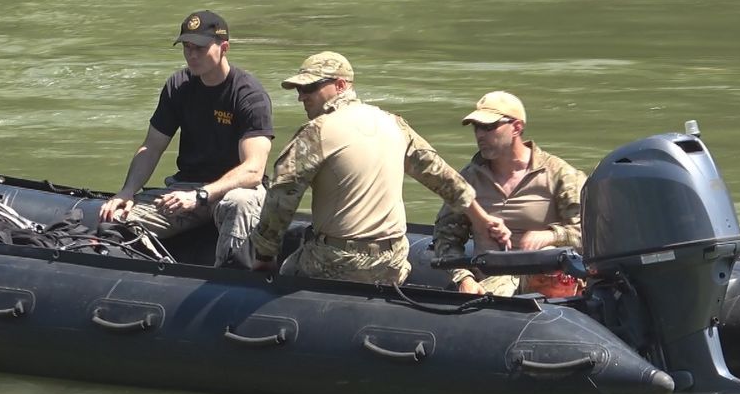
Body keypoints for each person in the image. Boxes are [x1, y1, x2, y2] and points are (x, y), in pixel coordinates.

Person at [249, 51, 510, 284]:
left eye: (311, 88)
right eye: (299, 90)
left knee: (286, 272)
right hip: (392, 261)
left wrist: (265, 254)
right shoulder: (395, 124)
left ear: (340, 85)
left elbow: (281, 195)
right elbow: (442, 177)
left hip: (338, 260)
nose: (301, 97)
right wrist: (482, 218)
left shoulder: (316, 132)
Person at [98, 10, 274, 268]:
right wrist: (127, 191)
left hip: (233, 191)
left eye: (200, 48)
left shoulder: (248, 94)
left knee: (239, 202)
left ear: (224, 47)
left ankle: (231, 279)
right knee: (117, 219)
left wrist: (201, 195)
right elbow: (152, 146)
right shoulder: (178, 85)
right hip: (187, 187)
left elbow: (253, 170)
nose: (192, 55)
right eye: (187, 47)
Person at [432, 90, 587, 296]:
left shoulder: (560, 174)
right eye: (477, 127)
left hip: (545, 281)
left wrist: (551, 235)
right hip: (491, 282)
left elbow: (588, 235)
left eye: (489, 127)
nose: (480, 135)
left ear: (516, 127)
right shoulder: (469, 179)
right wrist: (464, 278)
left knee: (549, 257)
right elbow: (446, 238)